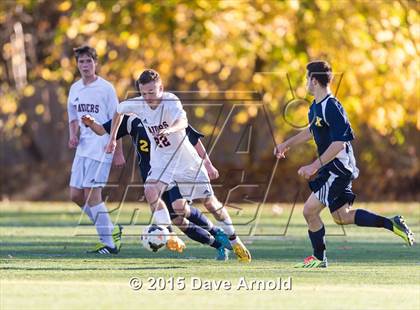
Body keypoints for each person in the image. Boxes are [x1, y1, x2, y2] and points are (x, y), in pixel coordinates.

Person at [274, 60, 415, 268]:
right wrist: (286, 144)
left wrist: (314, 165)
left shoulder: (332, 106)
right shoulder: (315, 107)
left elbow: (340, 144)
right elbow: (312, 131)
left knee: (309, 211)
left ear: (314, 80)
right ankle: (391, 223)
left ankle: (319, 259)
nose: (305, 83)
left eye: (307, 79)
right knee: (342, 216)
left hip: (337, 169)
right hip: (331, 167)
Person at [105, 69, 251, 262]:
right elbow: (118, 111)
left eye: (152, 92)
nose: (148, 97)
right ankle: (167, 233)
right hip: (162, 161)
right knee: (151, 190)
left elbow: (183, 121)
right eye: (144, 93)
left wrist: (169, 129)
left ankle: (234, 239)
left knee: (210, 204)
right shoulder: (138, 104)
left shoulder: (170, 101)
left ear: (161, 88)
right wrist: (113, 139)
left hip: (186, 161)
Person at [81, 113, 231, 260]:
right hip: (152, 176)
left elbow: (192, 138)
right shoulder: (129, 119)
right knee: (178, 220)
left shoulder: (166, 112)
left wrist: (208, 164)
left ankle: (211, 232)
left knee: (180, 208)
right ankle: (218, 245)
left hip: (172, 172)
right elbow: (102, 130)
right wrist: (92, 123)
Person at [67, 45, 125, 254]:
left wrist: (117, 150)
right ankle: (110, 229)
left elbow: (117, 119)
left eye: (88, 61)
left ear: (95, 63)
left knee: (92, 194)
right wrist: (73, 136)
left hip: (102, 148)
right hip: (82, 149)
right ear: (77, 64)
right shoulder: (75, 88)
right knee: (75, 195)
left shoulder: (106, 88)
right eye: (81, 61)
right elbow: (73, 117)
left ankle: (109, 243)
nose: (85, 65)